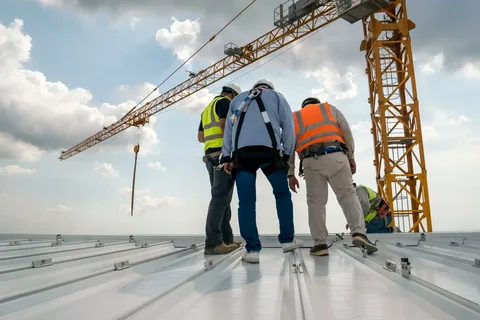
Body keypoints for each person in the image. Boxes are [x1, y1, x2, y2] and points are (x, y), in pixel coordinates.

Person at [220, 79, 303, 263]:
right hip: (270, 154)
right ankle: (287, 240)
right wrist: (286, 154)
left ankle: (252, 251)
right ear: (269, 88)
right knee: (282, 195)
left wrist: (227, 157)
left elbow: (228, 130)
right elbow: (289, 127)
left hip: (242, 156)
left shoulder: (238, 100)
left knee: (246, 202)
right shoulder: (277, 97)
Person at [287, 97, 378, 257]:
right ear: (317, 103)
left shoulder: (296, 117)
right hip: (336, 154)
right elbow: (347, 132)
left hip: (310, 160)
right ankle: (359, 233)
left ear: (304, 106)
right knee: (348, 195)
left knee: (316, 203)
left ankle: (320, 244)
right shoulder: (330, 109)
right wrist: (351, 157)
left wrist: (290, 173)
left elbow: (288, 146)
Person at [198, 83, 243, 255]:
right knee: (220, 199)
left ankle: (226, 240)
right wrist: (229, 153)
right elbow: (226, 128)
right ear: (232, 95)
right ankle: (213, 243)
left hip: (210, 157)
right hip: (221, 157)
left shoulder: (207, 108)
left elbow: (201, 137)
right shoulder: (225, 103)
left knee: (222, 199)